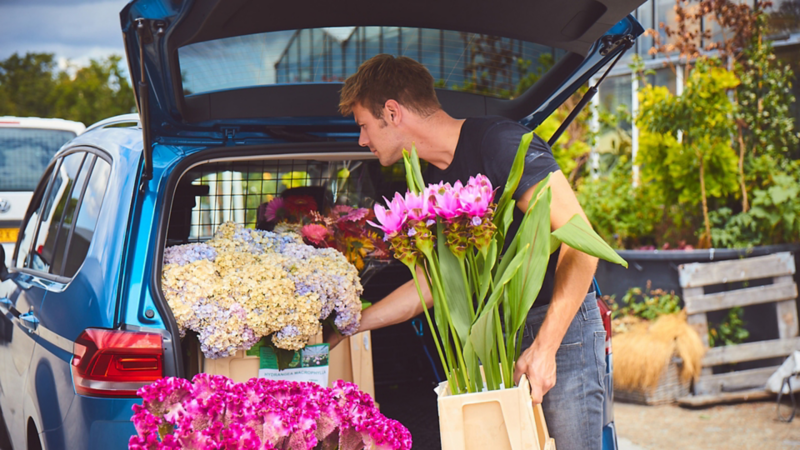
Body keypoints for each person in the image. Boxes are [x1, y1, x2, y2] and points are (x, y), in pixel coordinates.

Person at [330, 54, 605, 450]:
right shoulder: (433, 181)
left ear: (392, 112)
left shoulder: (499, 142)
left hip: (560, 329)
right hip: (499, 337)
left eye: (364, 126)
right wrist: (349, 326)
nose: (362, 140)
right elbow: (432, 284)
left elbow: (584, 242)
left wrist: (546, 347)